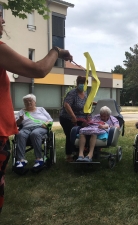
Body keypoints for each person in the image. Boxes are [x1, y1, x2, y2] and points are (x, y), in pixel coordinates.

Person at [0, 12, 72, 213]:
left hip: (31, 131)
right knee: (24, 133)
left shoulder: (41, 110)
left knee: (33, 133)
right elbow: (38, 69)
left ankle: (36, 160)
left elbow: (48, 122)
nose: (3, 19)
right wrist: (56, 51)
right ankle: (21, 161)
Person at [14, 94, 53, 172]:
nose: (28, 103)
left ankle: (39, 159)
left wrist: (46, 124)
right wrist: (20, 120)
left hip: (40, 127)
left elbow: (50, 119)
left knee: (35, 133)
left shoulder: (41, 109)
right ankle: (21, 160)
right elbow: (17, 124)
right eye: (26, 101)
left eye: (30, 101)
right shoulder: (22, 111)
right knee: (20, 134)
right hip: (26, 128)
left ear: (35, 102)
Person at [60, 76, 89, 162]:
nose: (82, 85)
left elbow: (87, 105)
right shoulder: (72, 93)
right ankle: (69, 156)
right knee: (71, 134)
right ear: (77, 84)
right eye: (81, 84)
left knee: (84, 132)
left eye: (84, 84)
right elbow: (66, 105)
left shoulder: (85, 94)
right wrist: (73, 117)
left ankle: (80, 152)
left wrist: (87, 116)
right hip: (67, 118)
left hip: (81, 118)